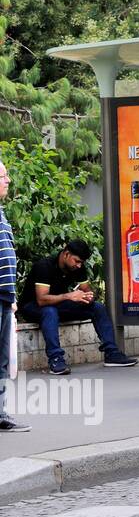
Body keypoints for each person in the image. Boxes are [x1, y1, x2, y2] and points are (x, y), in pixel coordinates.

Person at [19, 238, 138, 374]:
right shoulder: (44, 266)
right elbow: (41, 300)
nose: (79, 265)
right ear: (66, 254)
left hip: (57, 304)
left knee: (97, 307)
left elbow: (86, 289)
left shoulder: (77, 267)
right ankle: (56, 359)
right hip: (33, 307)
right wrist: (68, 296)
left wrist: (87, 297)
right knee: (50, 311)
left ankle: (112, 353)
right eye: (77, 261)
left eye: (82, 262)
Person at [0, 162, 29, 432]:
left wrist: (12, 298)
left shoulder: (2, 214)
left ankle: (1, 413)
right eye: (3, 176)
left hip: (4, 297)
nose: (8, 180)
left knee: (3, 359)